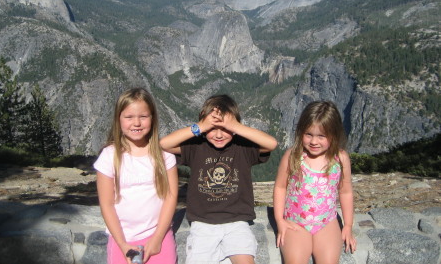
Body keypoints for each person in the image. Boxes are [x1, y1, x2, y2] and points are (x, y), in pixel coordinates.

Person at [160, 94, 278, 264]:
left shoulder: (242, 147)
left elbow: (271, 144)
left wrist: (235, 126)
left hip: (237, 221)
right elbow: (164, 144)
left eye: (225, 128)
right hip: (202, 223)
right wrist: (199, 127)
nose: (219, 134)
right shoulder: (196, 146)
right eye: (212, 128)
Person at [94, 88, 178, 264]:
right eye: (129, 117)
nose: (136, 123)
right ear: (118, 119)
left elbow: (171, 196)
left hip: (158, 236)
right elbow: (106, 204)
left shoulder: (164, 155)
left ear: (153, 118)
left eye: (143, 116)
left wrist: (158, 237)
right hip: (122, 238)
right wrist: (122, 243)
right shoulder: (110, 156)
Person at [273, 100, 356, 264]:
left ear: (334, 135)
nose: (314, 141)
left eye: (321, 136)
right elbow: (280, 187)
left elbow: (345, 191)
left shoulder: (340, 159)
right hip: (295, 221)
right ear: (301, 132)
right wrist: (280, 221)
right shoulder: (293, 156)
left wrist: (347, 226)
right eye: (308, 134)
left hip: (326, 221)